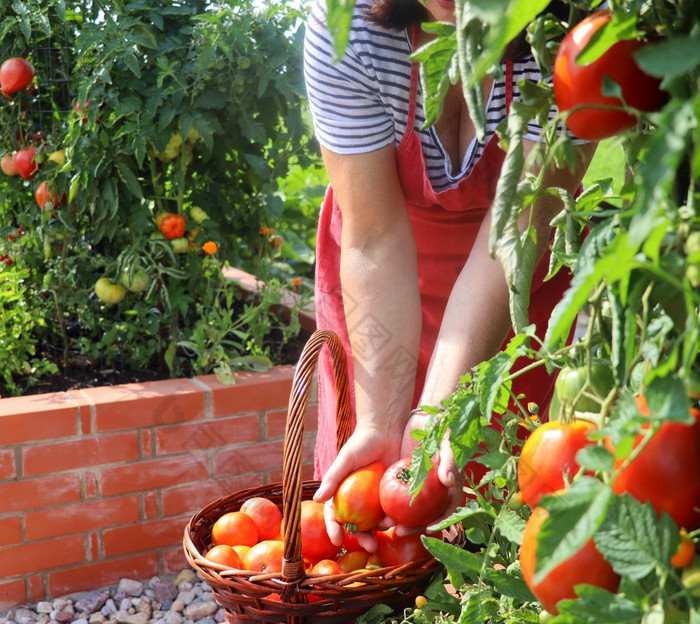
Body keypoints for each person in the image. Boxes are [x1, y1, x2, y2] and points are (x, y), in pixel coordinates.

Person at [303, 0, 596, 548]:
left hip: (508, 291)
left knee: (494, 505)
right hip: (379, 282)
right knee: (364, 517)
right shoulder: (348, 25)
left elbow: (515, 234)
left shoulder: (573, 32)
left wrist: (436, 416)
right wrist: (380, 422)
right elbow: (374, 238)